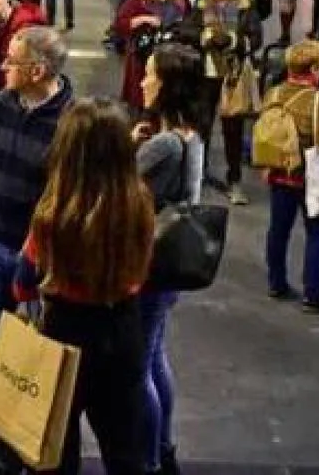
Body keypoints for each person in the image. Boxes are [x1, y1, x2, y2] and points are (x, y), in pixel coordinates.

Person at [11, 99, 155, 475]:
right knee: (125, 451)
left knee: (55, 450)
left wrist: (26, 302)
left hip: (64, 332)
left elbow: (24, 276)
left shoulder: (54, 209)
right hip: (123, 328)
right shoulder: (138, 201)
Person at [132, 43, 205, 475]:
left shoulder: (163, 144)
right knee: (155, 355)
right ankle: (163, 447)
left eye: (151, 74)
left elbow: (114, 177)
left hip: (147, 265)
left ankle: (150, 457)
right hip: (171, 266)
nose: (143, 80)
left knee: (139, 365)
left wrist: (126, 145)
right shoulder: (190, 136)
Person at [0, 26, 72, 335]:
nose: (2, 66)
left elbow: (66, 195)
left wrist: (38, 251)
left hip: (37, 259)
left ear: (37, 71)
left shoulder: (70, 123)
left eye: (12, 61)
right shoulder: (1, 104)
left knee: (31, 349)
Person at [259, 39, 319, 312]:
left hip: (279, 172)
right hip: (311, 176)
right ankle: (313, 293)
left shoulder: (274, 94)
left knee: (278, 230)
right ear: (316, 67)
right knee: (317, 233)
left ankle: (276, 282)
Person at [190, 0, 263, 204]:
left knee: (233, 130)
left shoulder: (245, 7)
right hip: (205, 75)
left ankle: (234, 180)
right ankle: (197, 174)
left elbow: (256, 38)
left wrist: (232, 41)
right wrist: (204, 37)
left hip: (233, 76)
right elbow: (186, 32)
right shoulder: (200, 6)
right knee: (202, 126)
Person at [114, 0, 191, 111]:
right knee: (143, 106)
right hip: (143, 59)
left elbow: (190, 23)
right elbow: (120, 23)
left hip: (172, 60)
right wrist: (143, 19)